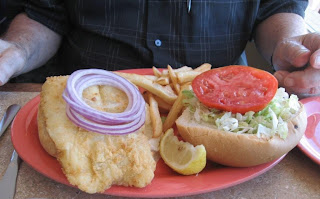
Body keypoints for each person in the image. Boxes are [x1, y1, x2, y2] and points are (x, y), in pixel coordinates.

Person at [0, 0, 319, 98]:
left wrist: (289, 45)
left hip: (220, 106)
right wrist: (14, 51)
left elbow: (277, 7)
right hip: (84, 102)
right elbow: (46, 14)